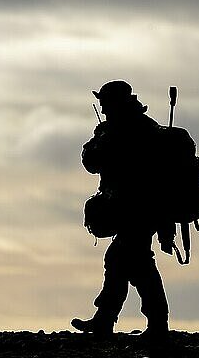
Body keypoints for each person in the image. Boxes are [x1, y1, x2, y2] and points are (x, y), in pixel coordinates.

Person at [71, 80, 170, 340]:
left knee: (131, 264)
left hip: (137, 210)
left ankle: (154, 325)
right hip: (139, 209)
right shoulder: (143, 128)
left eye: (105, 103)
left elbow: (92, 163)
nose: (102, 109)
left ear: (115, 103)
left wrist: (99, 140)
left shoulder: (124, 131)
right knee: (127, 263)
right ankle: (107, 321)